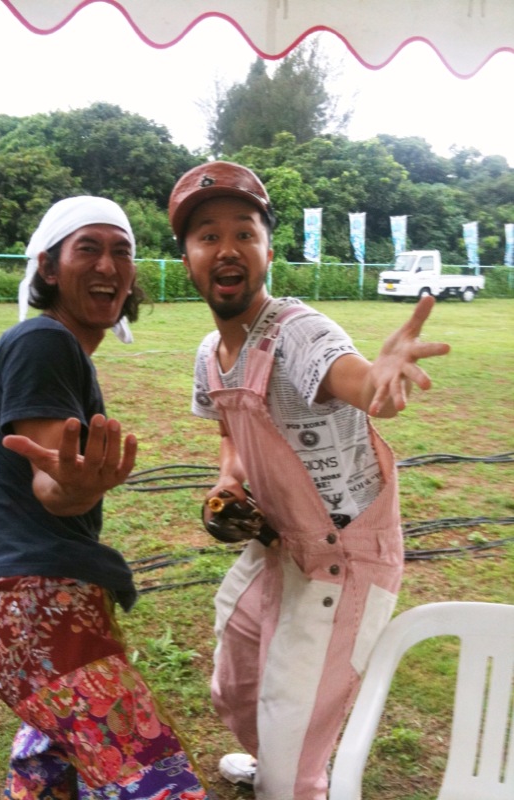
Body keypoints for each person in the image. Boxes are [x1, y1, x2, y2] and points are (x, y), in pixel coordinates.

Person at [167, 162, 451, 800]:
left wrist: (379, 380)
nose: (227, 247)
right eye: (208, 235)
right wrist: (227, 485)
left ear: (268, 251)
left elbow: (357, 380)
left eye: (245, 232)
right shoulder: (208, 357)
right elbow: (232, 438)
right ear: (187, 259)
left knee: (292, 767)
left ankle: (292, 779)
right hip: (275, 546)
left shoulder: (297, 330)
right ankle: (274, 760)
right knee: (235, 687)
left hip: (344, 559)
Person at [0, 196, 214, 800]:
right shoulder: (44, 342)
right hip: (31, 608)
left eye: (121, 251)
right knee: (155, 784)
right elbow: (51, 481)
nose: (107, 265)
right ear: (48, 267)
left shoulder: (59, 349)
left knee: (53, 770)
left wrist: (71, 488)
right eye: (88, 248)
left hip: (21, 605)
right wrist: (71, 486)